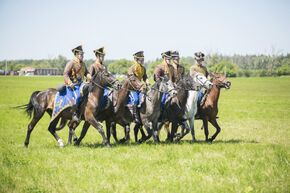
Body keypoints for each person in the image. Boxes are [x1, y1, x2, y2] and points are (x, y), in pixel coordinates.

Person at [63, 45, 91, 123]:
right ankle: (74, 114)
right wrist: (69, 82)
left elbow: (86, 73)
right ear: (76, 54)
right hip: (72, 85)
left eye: (83, 54)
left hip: (81, 84)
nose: (82, 56)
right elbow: (65, 74)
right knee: (76, 97)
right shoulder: (71, 63)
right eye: (81, 54)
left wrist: (91, 78)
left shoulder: (83, 64)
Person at [127, 51, 150, 123]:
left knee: (144, 100)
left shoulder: (143, 68)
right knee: (136, 100)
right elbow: (132, 79)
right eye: (141, 59)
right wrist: (140, 84)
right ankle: (135, 116)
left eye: (143, 59)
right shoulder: (131, 68)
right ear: (136, 59)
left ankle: (143, 115)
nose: (143, 61)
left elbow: (145, 77)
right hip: (132, 89)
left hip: (140, 88)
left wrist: (147, 82)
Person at [190, 52, 209, 118]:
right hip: (196, 87)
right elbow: (192, 78)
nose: (199, 61)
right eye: (198, 60)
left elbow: (207, 76)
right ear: (195, 60)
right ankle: (197, 111)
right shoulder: (193, 68)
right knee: (199, 96)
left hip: (205, 86)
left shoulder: (204, 68)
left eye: (201, 60)